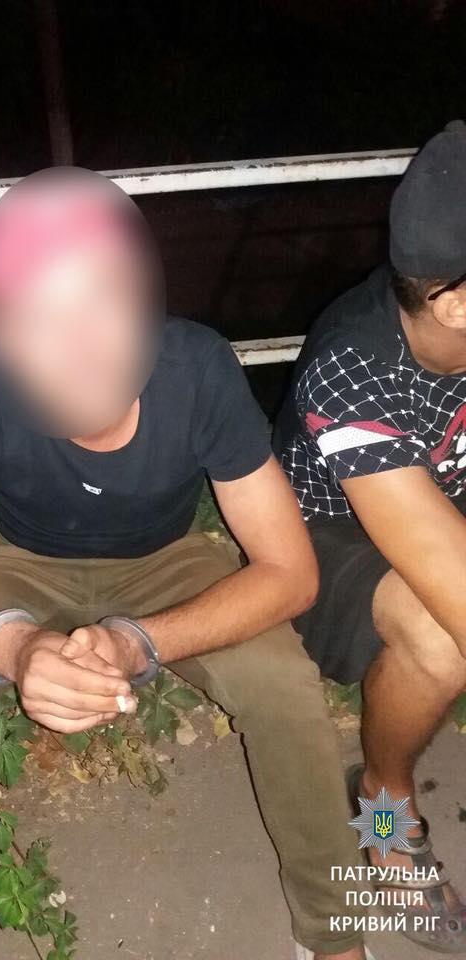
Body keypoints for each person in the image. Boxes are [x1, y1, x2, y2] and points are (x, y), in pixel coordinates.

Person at [0, 166, 366, 960]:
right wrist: (14, 645)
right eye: (38, 316)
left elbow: (290, 571)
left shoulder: (196, 369)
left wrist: (139, 640)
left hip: (168, 562)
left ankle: (336, 932)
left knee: (279, 679)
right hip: (25, 562)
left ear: (142, 298)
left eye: (101, 299)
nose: (80, 346)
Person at [275, 121, 466, 953]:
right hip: (324, 539)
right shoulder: (355, 368)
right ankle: (385, 804)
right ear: (456, 303)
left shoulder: (453, 314)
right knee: (441, 638)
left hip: (439, 499)